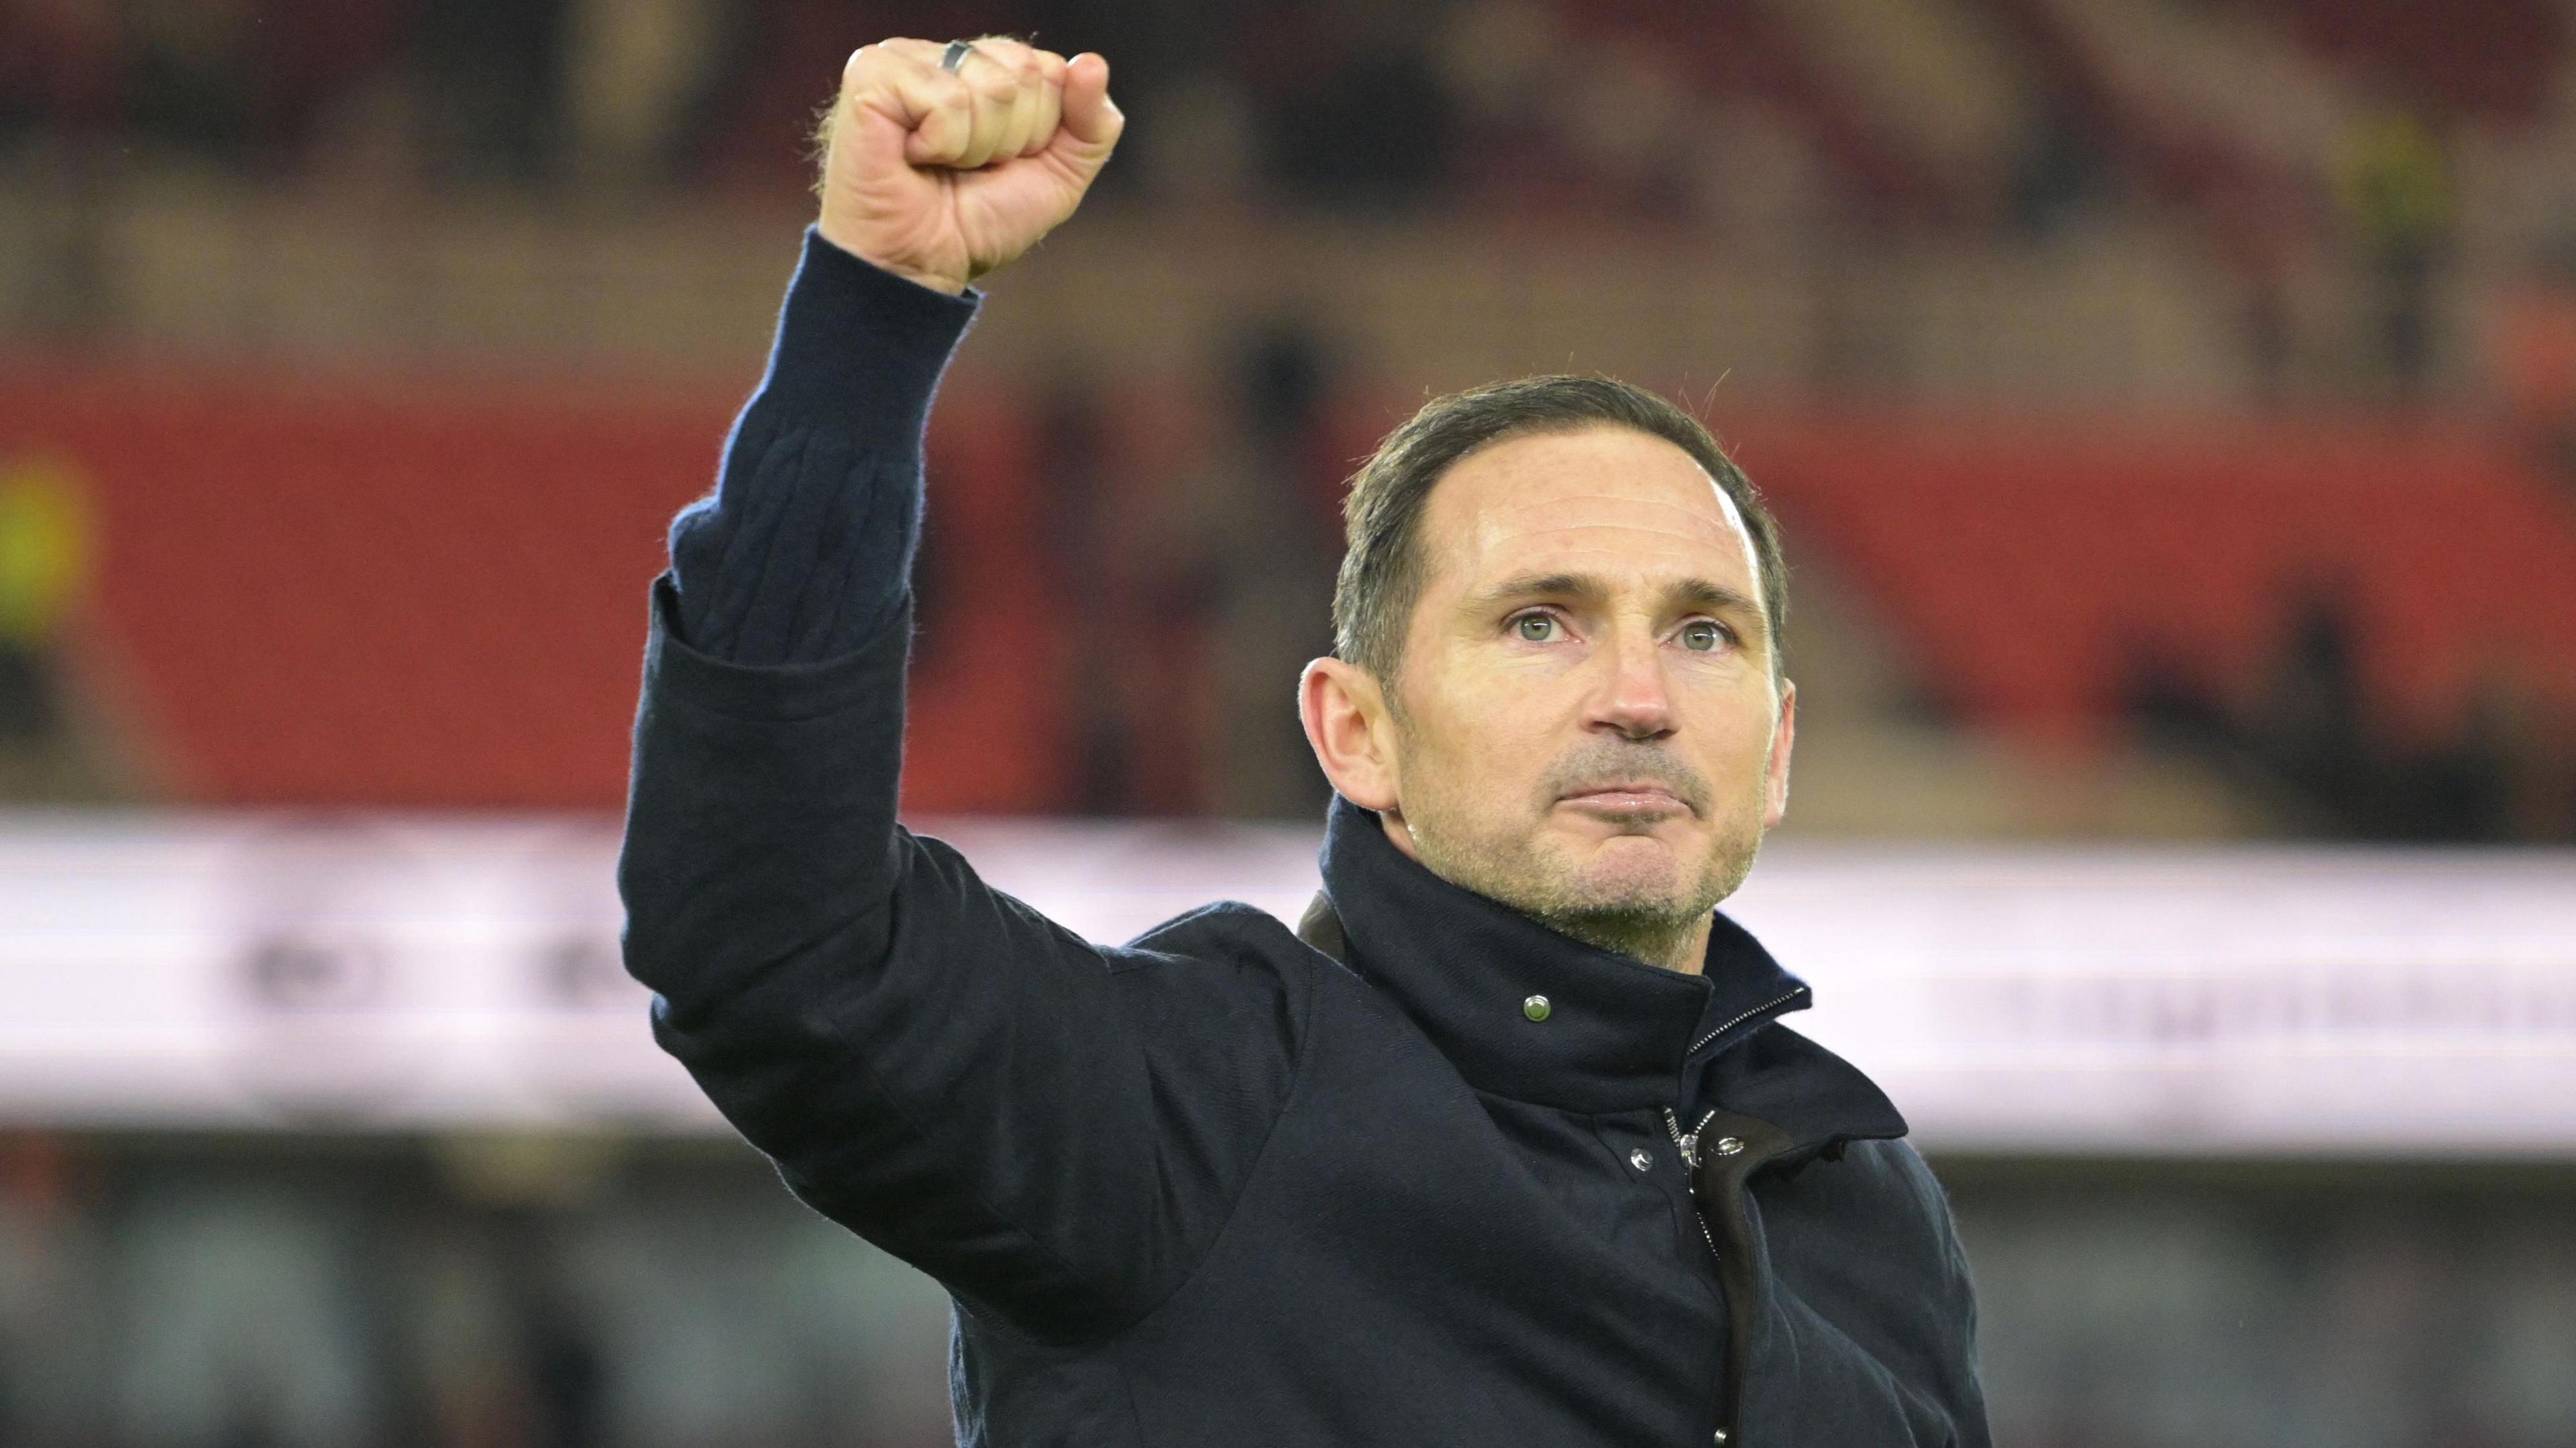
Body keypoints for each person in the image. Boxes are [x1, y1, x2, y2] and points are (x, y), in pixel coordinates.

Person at [620, 36, 1988, 1448]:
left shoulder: (1864, 1197)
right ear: (1357, 732)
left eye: (1706, 634)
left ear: (1775, 748)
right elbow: (770, 938)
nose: (1639, 695)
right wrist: (869, 305)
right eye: (1539, 623)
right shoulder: (1199, 1097)